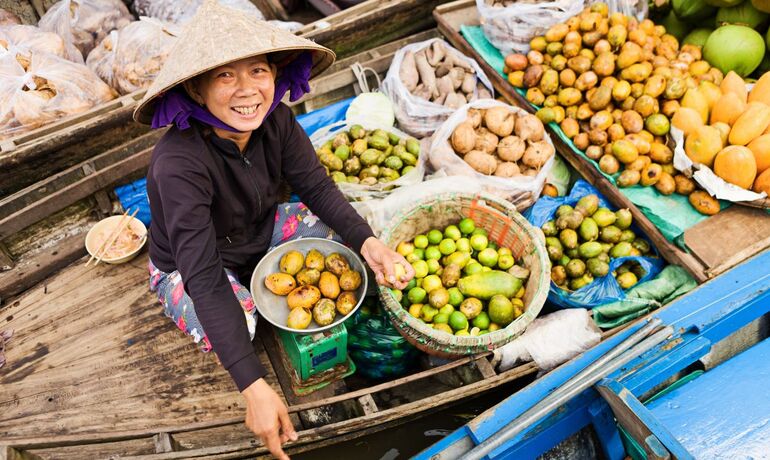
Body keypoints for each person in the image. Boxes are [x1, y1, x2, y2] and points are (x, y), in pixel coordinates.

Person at [132, 2, 414, 459]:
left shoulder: (276, 121)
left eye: (258, 70)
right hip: (191, 267)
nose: (248, 90)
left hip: (262, 233)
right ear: (198, 91)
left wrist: (370, 243)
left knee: (346, 244)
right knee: (239, 323)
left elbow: (318, 188)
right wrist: (253, 386)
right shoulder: (178, 164)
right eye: (225, 76)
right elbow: (201, 276)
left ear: (275, 76)